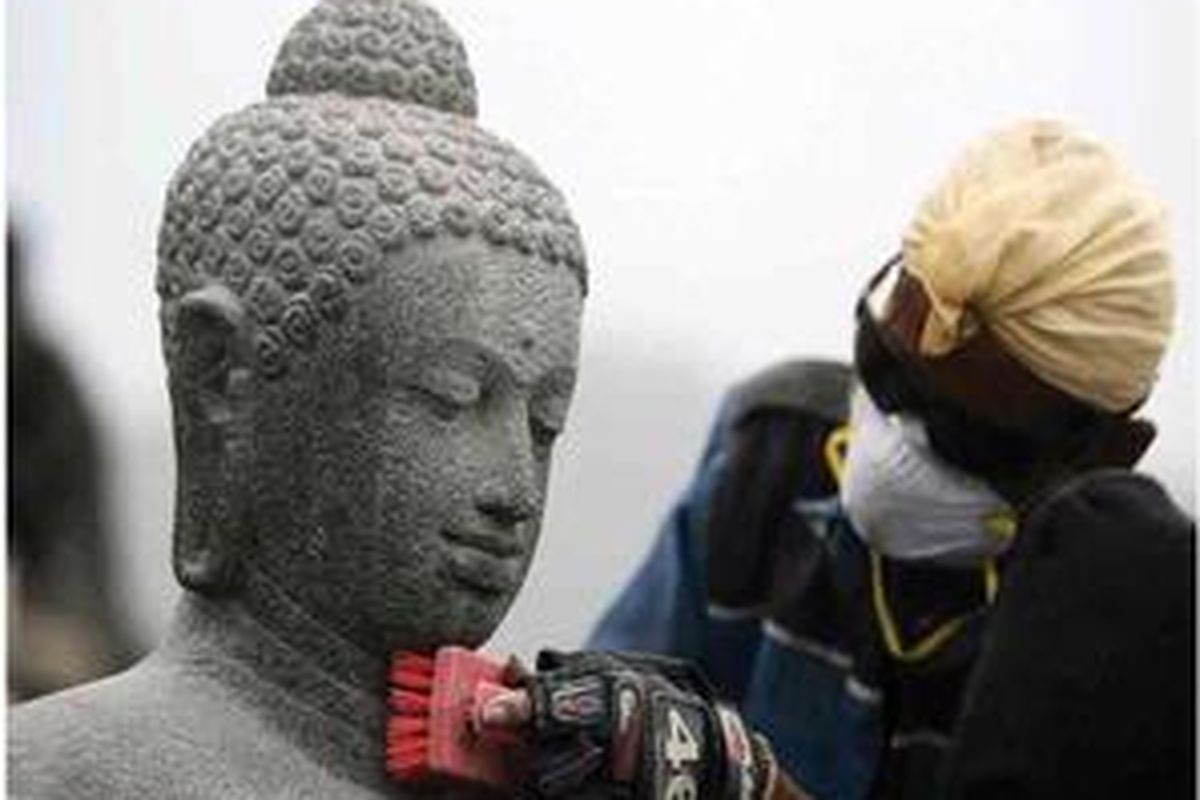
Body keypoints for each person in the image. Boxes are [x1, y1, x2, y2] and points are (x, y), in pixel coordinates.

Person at [480, 120, 1193, 799]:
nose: (898, 441)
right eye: (884, 374)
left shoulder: (1124, 649)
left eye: (966, 438)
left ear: (1109, 455)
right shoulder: (772, 457)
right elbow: (619, 710)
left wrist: (748, 783)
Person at [10, 0, 590, 796]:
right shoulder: (58, 770)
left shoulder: (542, 776)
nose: (515, 491)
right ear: (222, 379)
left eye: (544, 424)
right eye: (452, 395)